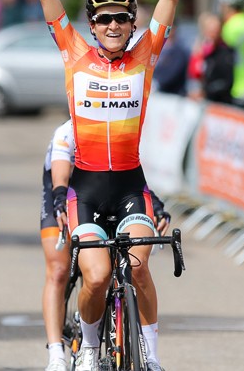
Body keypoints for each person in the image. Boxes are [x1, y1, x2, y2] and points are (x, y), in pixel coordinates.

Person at [22, 0, 187, 371]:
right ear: (92, 25)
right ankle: (90, 348)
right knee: (93, 277)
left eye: (121, 17)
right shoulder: (74, 54)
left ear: (131, 22)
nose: (114, 24)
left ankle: (151, 357)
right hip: (87, 184)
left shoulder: (145, 56)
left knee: (137, 268)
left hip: (130, 182)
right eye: (104, 18)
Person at [39, 119, 171, 371]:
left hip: (115, 195)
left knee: (131, 261)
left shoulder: (120, 128)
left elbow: (131, 179)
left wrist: (154, 204)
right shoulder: (68, 132)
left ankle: (147, 353)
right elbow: (61, 178)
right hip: (65, 189)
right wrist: (59, 203)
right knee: (59, 269)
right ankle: (56, 353)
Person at [187, 11, 235, 104]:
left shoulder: (226, 51)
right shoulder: (201, 50)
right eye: (210, 30)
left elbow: (227, 81)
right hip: (204, 102)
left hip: (220, 103)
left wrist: (205, 92)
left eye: (215, 30)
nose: (212, 34)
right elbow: (194, 74)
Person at [152, 25, 190, 95]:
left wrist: (155, 82)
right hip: (157, 94)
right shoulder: (155, 48)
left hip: (173, 95)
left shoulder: (179, 51)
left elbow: (171, 75)